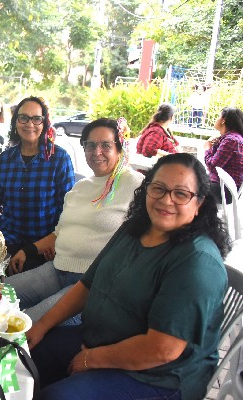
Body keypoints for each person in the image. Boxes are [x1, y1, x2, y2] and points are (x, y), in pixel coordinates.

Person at [27, 153, 230, 400]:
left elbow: (163, 350)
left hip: (159, 376)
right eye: (158, 188)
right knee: (26, 356)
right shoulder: (134, 229)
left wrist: (92, 359)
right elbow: (87, 285)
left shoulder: (197, 261)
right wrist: (41, 326)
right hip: (99, 337)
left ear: (199, 204)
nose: (166, 200)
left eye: (181, 194)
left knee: (57, 397)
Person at [6, 118, 144, 322]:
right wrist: (28, 251)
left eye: (106, 145)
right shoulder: (80, 187)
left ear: (119, 148)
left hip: (91, 284)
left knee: (25, 322)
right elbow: (60, 231)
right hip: (57, 269)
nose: (97, 152)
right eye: (91, 145)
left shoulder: (136, 184)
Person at [0, 96, 75, 268]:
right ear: (16, 122)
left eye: (36, 119)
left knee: (12, 278)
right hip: (7, 240)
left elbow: (68, 210)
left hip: (42, 246)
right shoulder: (6, 158)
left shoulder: (59, 158)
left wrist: (55, 242)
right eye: (23, 118)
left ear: (44, 123)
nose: (29, 124)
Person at [204, 107, 243, 204]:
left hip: (224, 190)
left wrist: (207, 148)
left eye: (218, 116)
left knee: (187, 187)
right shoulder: (230, 138)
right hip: (222, 186)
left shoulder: (231, 140)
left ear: (223, 121)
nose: (216, 119)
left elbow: (213, 166)